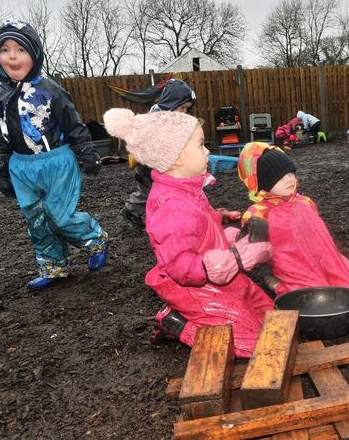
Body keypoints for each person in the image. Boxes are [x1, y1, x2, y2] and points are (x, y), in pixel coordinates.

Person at [103, 109, 274, 357]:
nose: (207, 151)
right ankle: (179, 324)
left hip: (218, 276)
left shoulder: (187, 190)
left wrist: (225, 226)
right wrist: (237, 257)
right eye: (201, 145)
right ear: (176, 157)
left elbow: (199, 229)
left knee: (268, 314)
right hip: (194, 286)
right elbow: (182, 268)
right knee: (253, 341)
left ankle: (205, 318)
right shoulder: (173, 208)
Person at [0, 21, 108, 290]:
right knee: (36, 219)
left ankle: (94, 237)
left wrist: (86, 151)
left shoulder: (48, 90)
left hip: (56, 162)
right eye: (5, 49)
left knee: (58, 216)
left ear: (35, 53)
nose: (13, 56)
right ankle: (53, 266)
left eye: (20, 49)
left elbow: (72, 122)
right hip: (21, 166)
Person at [237, 142, 349, 296]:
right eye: (278, 178)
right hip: (290, 265)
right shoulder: (257, 214)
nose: (288, 180)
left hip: (320, 256)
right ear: (261, 184)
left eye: (290, 173)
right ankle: (275, 283)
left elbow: (318, 234)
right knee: (310, 294)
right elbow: (254, 251)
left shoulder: (305, 202)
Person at [120, 79, 196, 227]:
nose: (185, 112)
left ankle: (167, 215)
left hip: (156, 163)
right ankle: (130, 211)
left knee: (164, 190)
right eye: (182, 108)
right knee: (147, 192)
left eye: (187, 109)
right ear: (171, 102)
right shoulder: (156, 120)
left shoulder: (168, 115)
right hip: (144, 164)